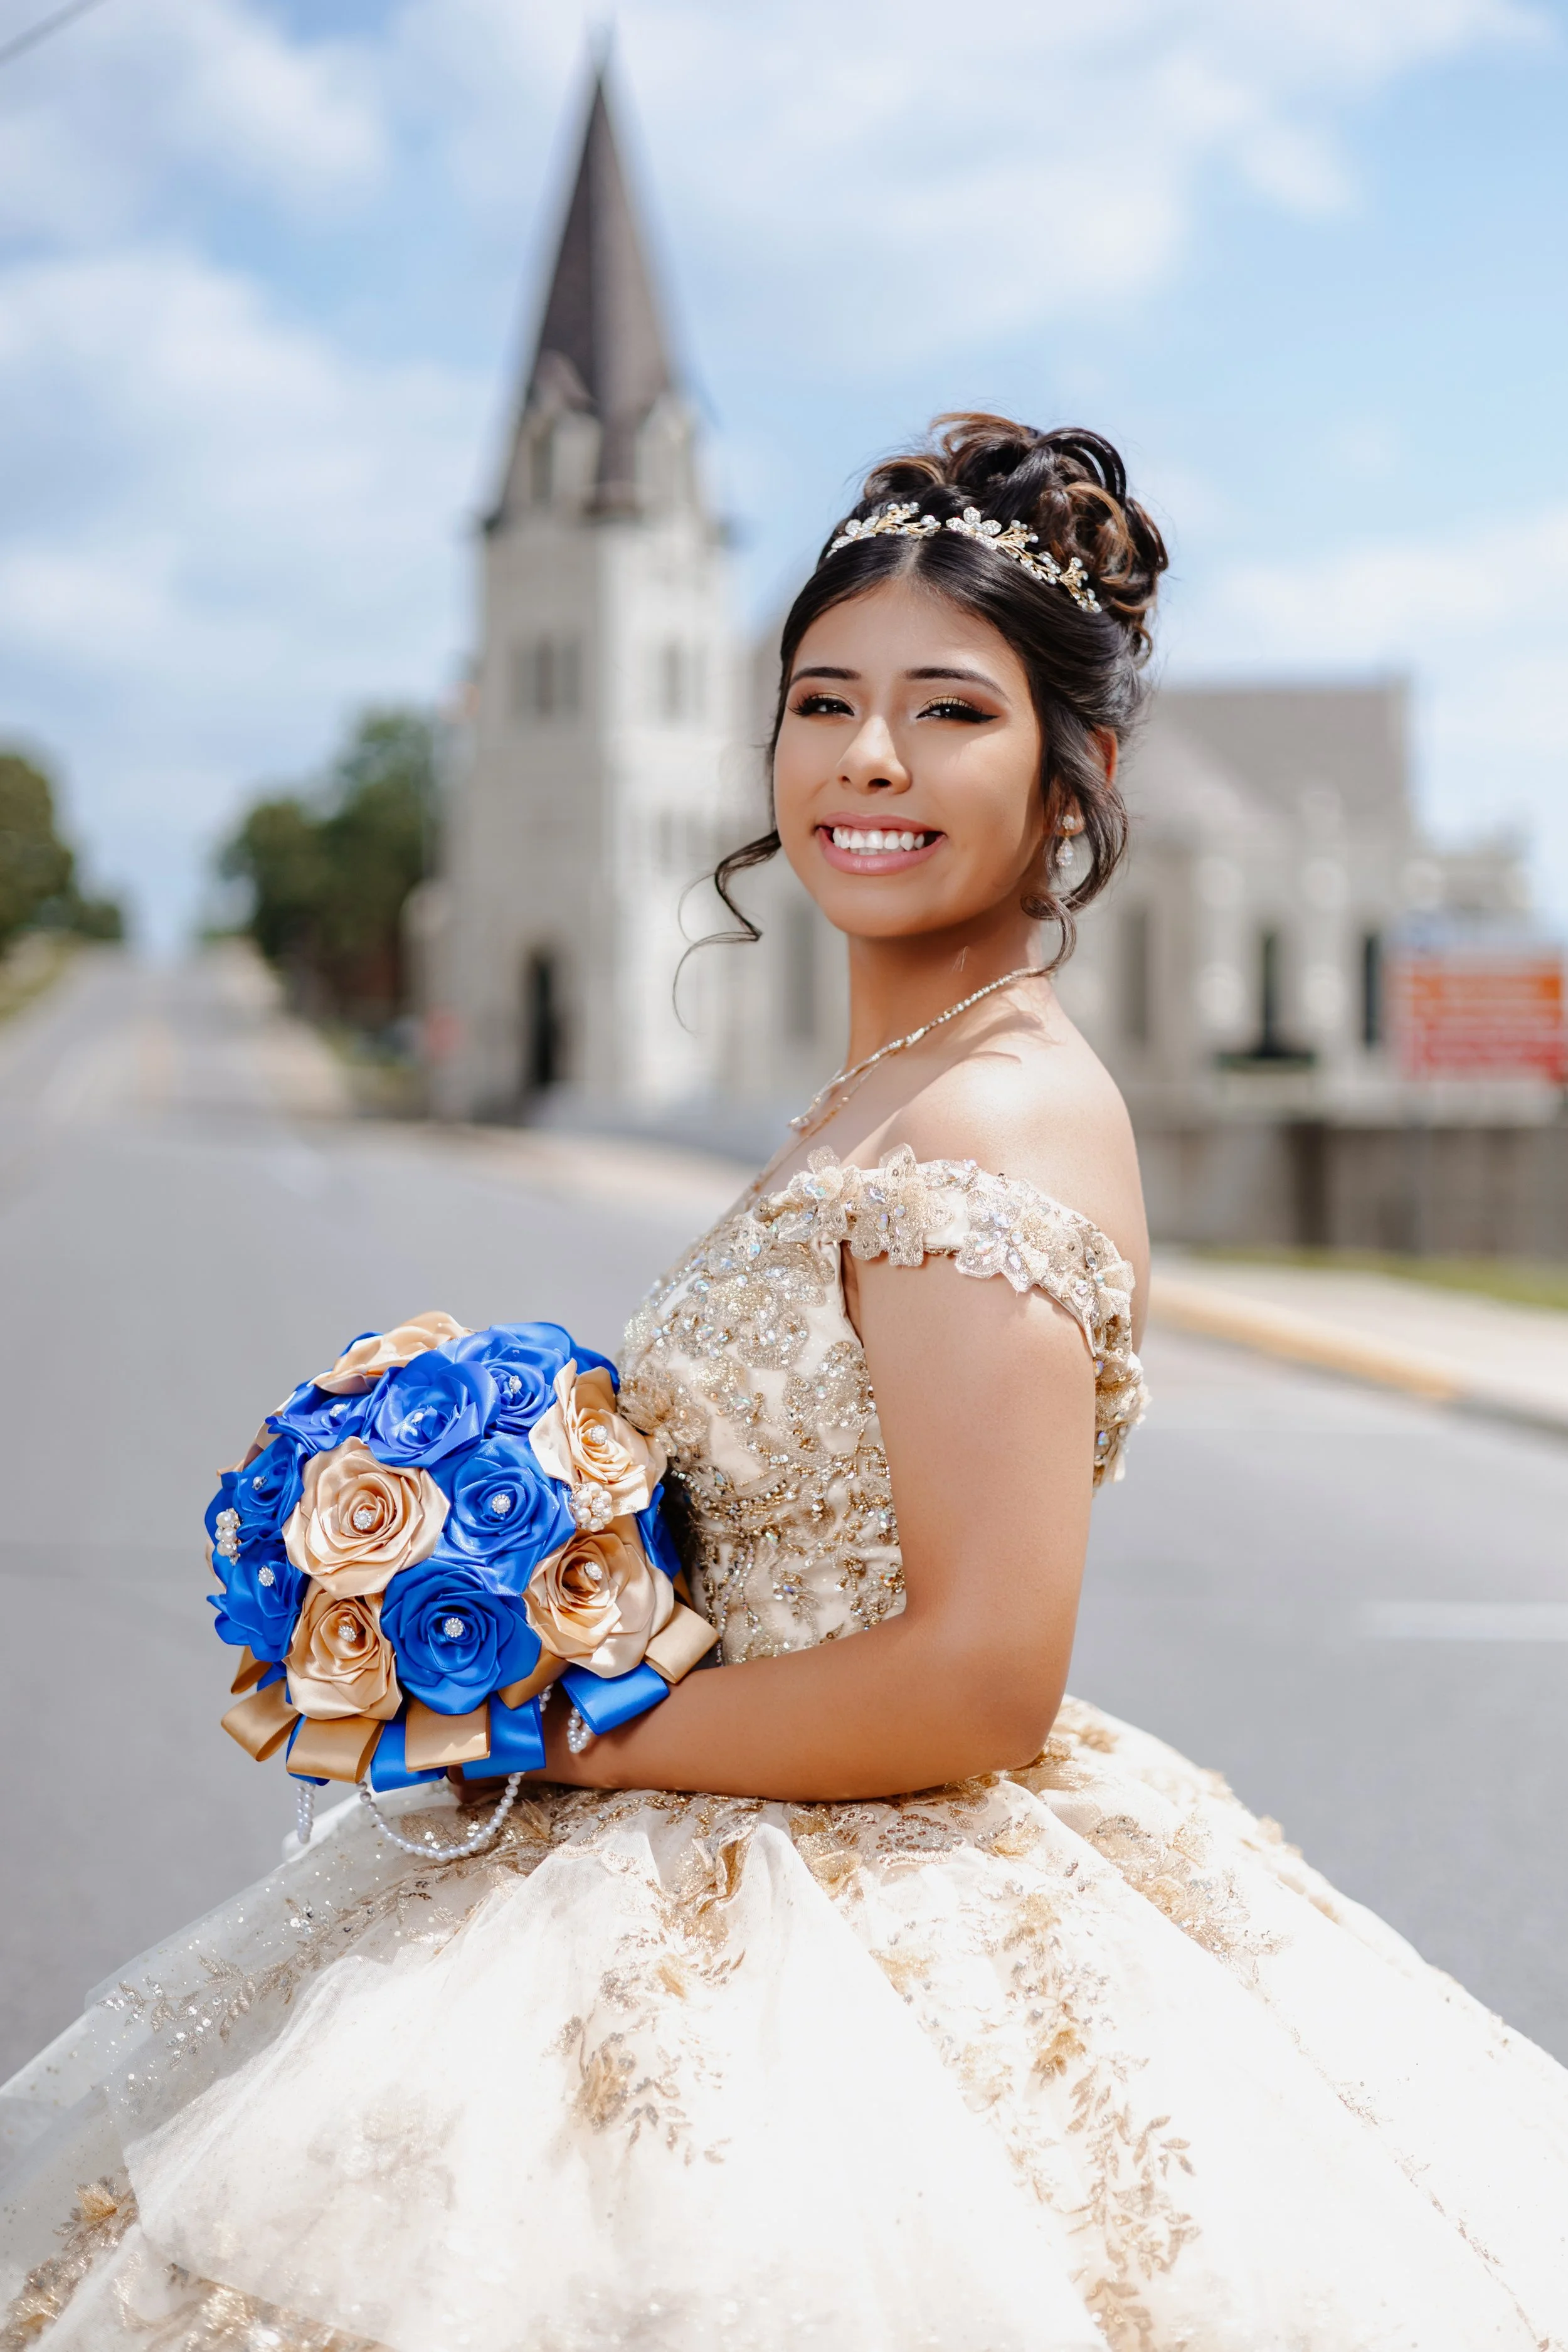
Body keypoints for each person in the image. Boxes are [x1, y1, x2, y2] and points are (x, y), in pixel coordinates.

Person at [4, 415, 1567, 2352]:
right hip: (726, 1800)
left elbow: (983, 1671)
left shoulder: (982, 1122)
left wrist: (560, 1733)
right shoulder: (891, 1089)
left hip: (832, 1898)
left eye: (948, 711)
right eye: (822, 700)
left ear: (1071, 776)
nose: (870, 758)